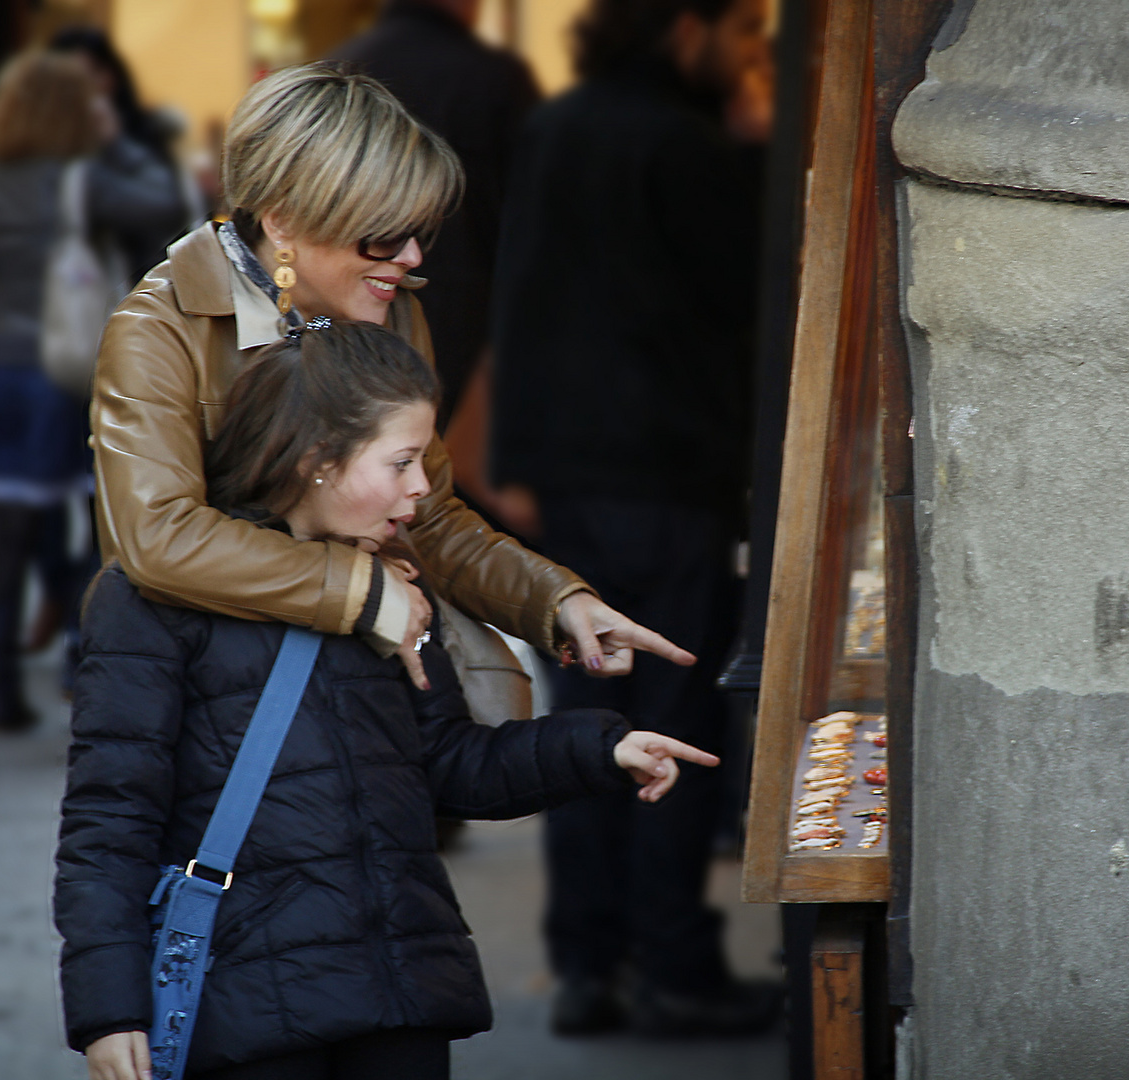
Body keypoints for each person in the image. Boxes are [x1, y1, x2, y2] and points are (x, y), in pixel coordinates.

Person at [54, 319, 721, 1080]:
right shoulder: (150, 604)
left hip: (397, 994)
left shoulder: (395, 586)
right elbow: (109, 822)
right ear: (316, 461)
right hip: (244, 1011)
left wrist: (601, 749)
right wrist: (110, 1010)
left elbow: (446, 764)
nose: (422, 490)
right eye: (402, 462)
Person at [91, 63, 692, 723]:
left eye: (419, 232)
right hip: (211, 702)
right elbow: (156, 540)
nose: (410, 257)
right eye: (381, 234)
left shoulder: (394, 309)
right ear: (285, 220)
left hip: (368, 693)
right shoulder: (160, 328)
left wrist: (555, 602)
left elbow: (426, 512)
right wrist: (362, 588)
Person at [490, 0, 773, 1035]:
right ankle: (672, 964)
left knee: (587, 711)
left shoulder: (562, 126)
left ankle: (586, 962)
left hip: (572, 477)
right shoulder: (687, 143)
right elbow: (745, 293)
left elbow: (520, 293)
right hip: (667, 476)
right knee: (673, 722)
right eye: (740, 31)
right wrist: (753, 156)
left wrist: (514, 461)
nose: (750, 56)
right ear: (683, 27)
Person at [0, 51, 184, 731]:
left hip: (1, 373)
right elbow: (169, 206)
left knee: (7, 538)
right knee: (100, 530)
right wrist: (117, 141)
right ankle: (80, 660)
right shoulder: (83, 182)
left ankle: (1, 688)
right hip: (76, 372)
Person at [330, 0, 539, 433]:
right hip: (470, 326)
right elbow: (535, 226)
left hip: (343, 321)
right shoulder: (493, 79)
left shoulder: (336, 69)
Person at [49, 25, 197, 279]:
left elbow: (169, 207)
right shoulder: (43, 148)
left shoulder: (146, 133)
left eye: (89, 75)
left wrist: (114, 144)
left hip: (139, 289)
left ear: (110, 77)